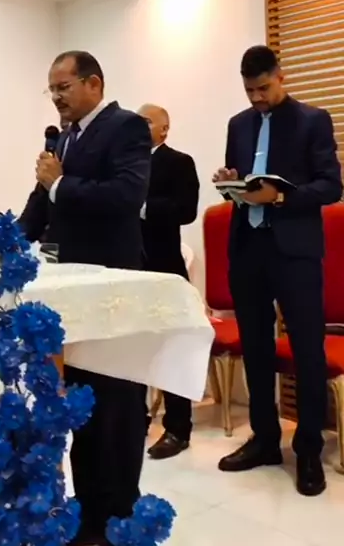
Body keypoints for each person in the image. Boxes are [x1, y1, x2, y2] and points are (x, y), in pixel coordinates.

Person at [20, 50, 152, 546]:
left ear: (93, 84)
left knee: (117, 408)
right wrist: (0, 241)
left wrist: (60, 183)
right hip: (72, 293)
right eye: (51, 89)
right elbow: (42, 204)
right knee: (82, 405)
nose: (56, 97)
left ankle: (119, 515)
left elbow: (126, 196)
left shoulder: (127, 127)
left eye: (64, 87)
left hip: (111, 289)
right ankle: (90, 515)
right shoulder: (64, 137)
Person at [213, 45, 342, 496]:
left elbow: (331, 186)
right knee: (255, 348)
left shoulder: (312, 120)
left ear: (280, 77)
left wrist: (281, 196)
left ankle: (308, 450)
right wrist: (230, 182)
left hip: (295, 252)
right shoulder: (238, 124)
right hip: (247, 248)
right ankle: (265, 439)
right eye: (249, 90)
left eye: (263, 88)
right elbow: (242, 183)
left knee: (307, 350)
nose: (257, 98)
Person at [138, 104, 199, 459]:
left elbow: (186, 210)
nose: (138, 125)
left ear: (164, 129)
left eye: (146, 121)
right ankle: (136, 418)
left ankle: (178, 428)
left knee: (172, 350)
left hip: (163, 267)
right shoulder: (123, 164)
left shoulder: (179, 162)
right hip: (128, 269)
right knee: (133, 348)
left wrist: (142, 207)